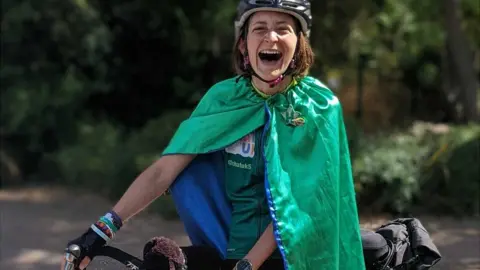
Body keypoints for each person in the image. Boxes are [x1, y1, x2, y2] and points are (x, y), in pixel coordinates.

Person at [60, 1, 366, 269]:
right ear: (244, 44)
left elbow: (301, 204)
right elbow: (163, 172)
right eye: (259, 27)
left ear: (299, 44)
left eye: (283, 28)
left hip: (299, 258)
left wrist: (249, 265)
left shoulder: (318, 106)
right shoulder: (223, 99)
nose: (271, 36)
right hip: (233, 252)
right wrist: (97, 233)